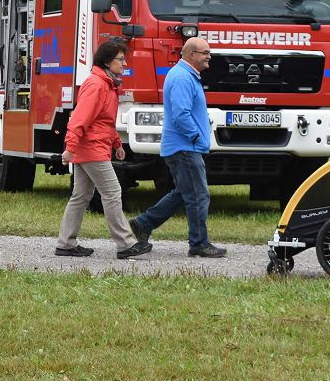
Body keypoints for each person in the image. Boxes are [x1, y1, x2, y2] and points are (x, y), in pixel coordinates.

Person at [129, 37, 227, 258]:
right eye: (205, 52)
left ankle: (144, 223)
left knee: (184, 193)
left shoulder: (186, 75)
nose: (209, 56)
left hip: (184, 146)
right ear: (191, 55)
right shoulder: (183, 77)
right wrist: (194, 135)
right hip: (185, 147)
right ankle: (199, 243)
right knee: (199, 196)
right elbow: (181, 113)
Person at [55, 41, 152, 259]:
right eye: (120, 59)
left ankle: (66, 243)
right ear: (108, 61)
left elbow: (104, 121)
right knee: (112, 192)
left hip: (91, 147)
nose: (125, 63)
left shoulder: (106, 84)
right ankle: (126, 244)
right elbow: (80, 119)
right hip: (90, 149)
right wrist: (70, 147)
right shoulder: (97, 85)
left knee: (81, 196)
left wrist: (117, 143)